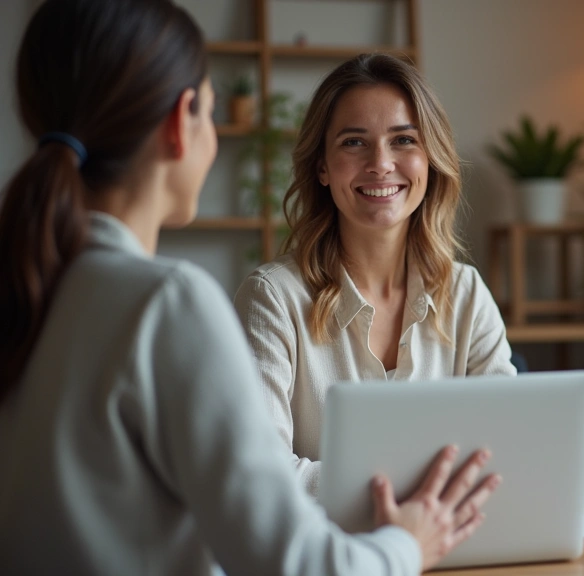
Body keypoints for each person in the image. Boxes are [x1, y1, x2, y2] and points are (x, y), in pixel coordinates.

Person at [0, 1, 498, 574]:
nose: (381, 163)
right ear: (180, 122)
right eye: (211, 111)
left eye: (404, 141)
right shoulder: (167, 304)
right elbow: (293, 562)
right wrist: (408, 542)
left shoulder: (31, 281)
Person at [233, 54, 517, 497]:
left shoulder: (466, 295)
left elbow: (505, 452)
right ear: (322, 166)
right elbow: (259, 474)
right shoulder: (272, 299)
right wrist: (411, 496)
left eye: (403, 140)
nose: (381, 163)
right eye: (353, 142)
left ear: (430, 159)